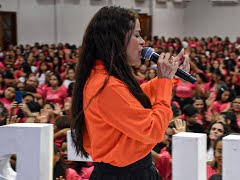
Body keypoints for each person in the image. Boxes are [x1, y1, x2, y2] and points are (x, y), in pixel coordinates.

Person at [71, 6, 190, 180]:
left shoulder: (102, 77)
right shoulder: (106, 85)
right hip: (125, 174)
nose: (143, 41)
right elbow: (154, 129)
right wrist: (164, 81)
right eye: (137, 35)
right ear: (116, 39)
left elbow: (134, 99)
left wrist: (169, 77)